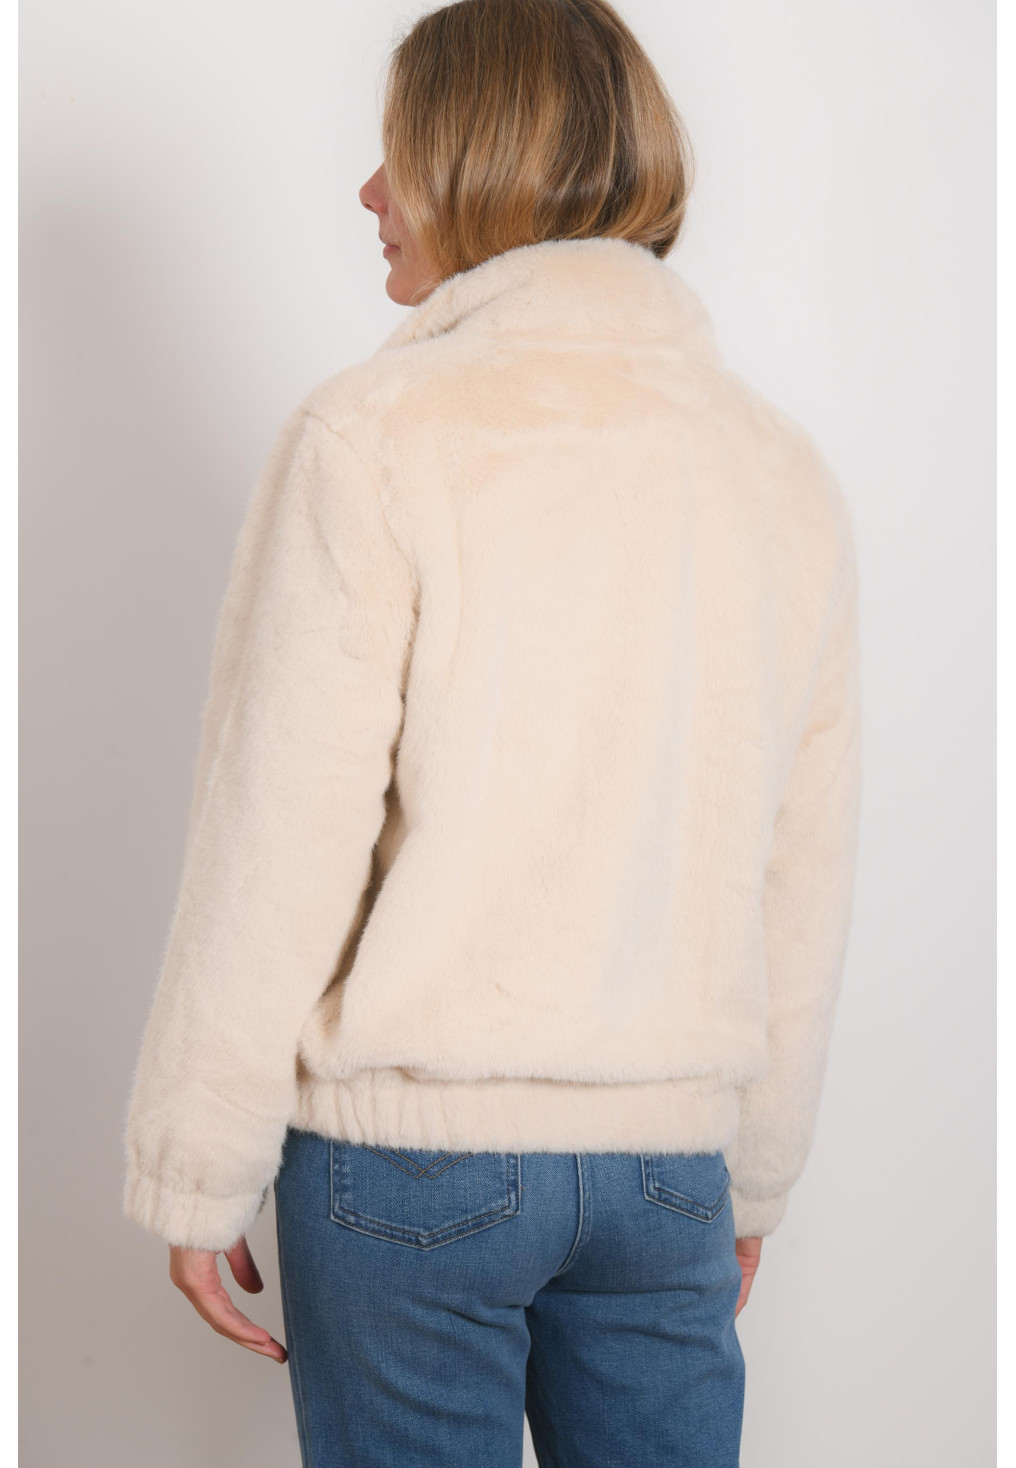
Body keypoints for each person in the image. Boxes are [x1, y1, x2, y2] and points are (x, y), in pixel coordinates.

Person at [121, 1, 862, 1463]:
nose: (369, 193)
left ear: (477, 161)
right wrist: (757, 1174)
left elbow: (281, 837)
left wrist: (194, 1166)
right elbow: (803, 863)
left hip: (412, 1160)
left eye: (396, 155)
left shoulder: (374, 437)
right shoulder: (779, 471)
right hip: (667, 1175)